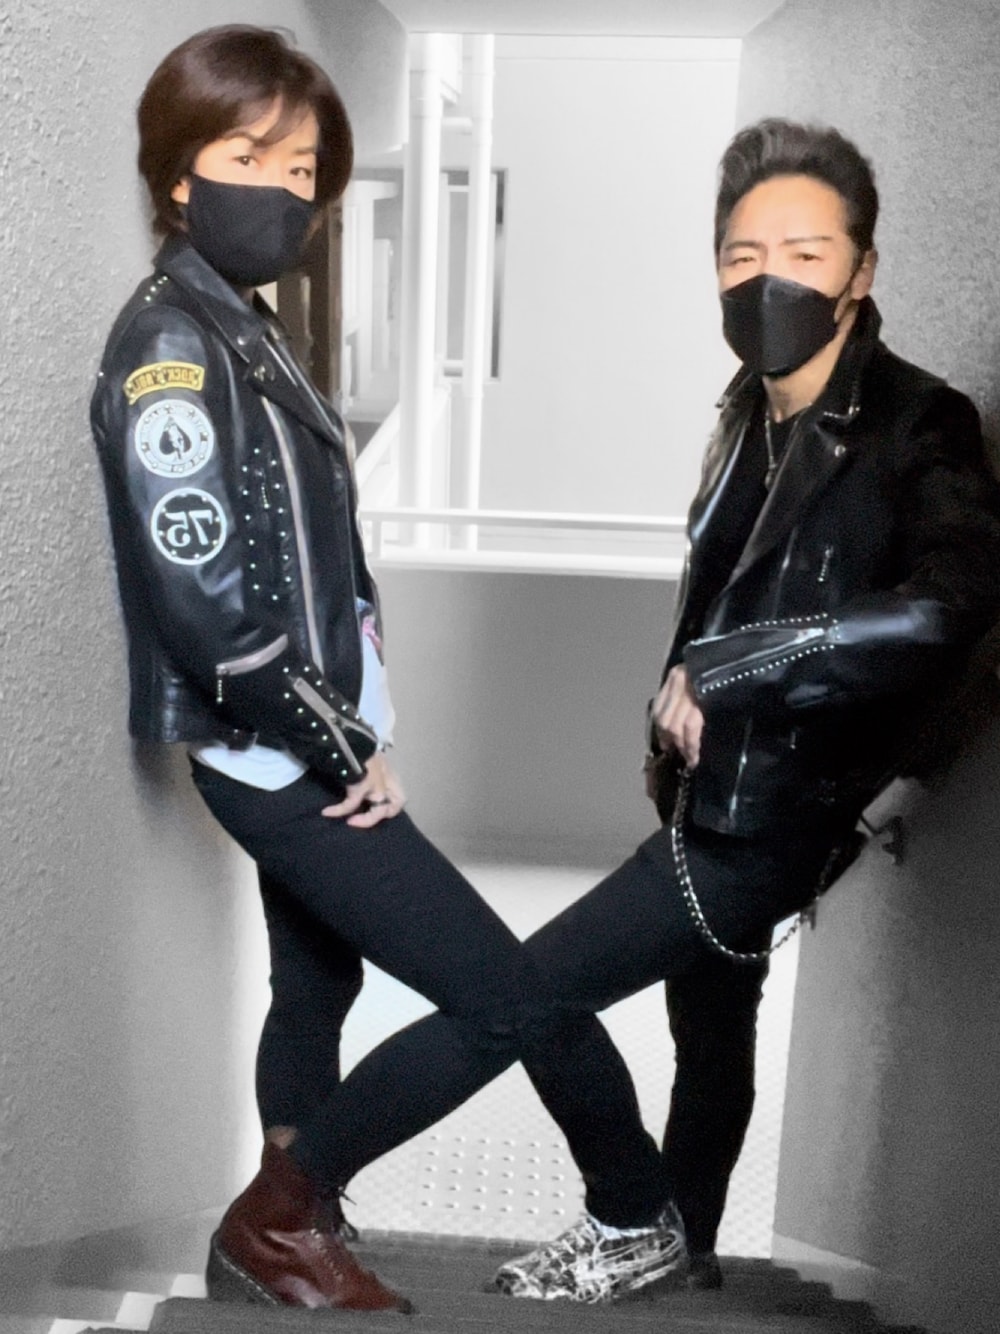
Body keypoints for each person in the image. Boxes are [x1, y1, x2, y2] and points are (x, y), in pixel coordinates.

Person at [90, 24, 687, 1313]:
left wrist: (358, 713)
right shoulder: (172, 354)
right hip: (278, 755)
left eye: (304, 169)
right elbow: (215, 618)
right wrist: (344, 744)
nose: (283, 189)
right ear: (179, 176)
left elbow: (318, 565)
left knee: (316, 982)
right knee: (511, 994)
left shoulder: (245, 329)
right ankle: (298, 1219)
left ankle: (298, 1228)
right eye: (249, 155)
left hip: (304, 738)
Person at [490, 117, 1000, 1301]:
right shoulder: (746, 408)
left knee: (525, 990)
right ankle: (692, 1249)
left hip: (776, 806)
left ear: (861, 271)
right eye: (741, 255)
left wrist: (745, 671)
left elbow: (952, 605)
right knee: (711, 1029)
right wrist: (679, 704)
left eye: (806, 254)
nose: (769, 280)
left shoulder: (917, 421)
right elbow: (723, 584)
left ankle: (636, 1223)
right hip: (703, 786)